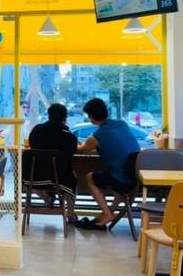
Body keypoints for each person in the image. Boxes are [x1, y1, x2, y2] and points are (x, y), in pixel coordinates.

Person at [76, 97, 140, 230]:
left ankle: (107, 213)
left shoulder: (96, 136)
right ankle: (109, 211)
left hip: (122, 179)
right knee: (116, 185)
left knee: (89, 178)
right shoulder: (122, 124)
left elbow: (80, 149)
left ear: (91, 116)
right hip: (136, 176)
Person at [27, 103, 79, 220]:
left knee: (27, 176)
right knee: (73, 177)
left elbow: (32, 149)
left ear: (49, 116)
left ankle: (47, 198)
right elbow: (72, 153)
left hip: (36, 177)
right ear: (65, 118)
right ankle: (70, 214)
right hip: (61, 179)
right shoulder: (70, 137)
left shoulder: (36, 131)